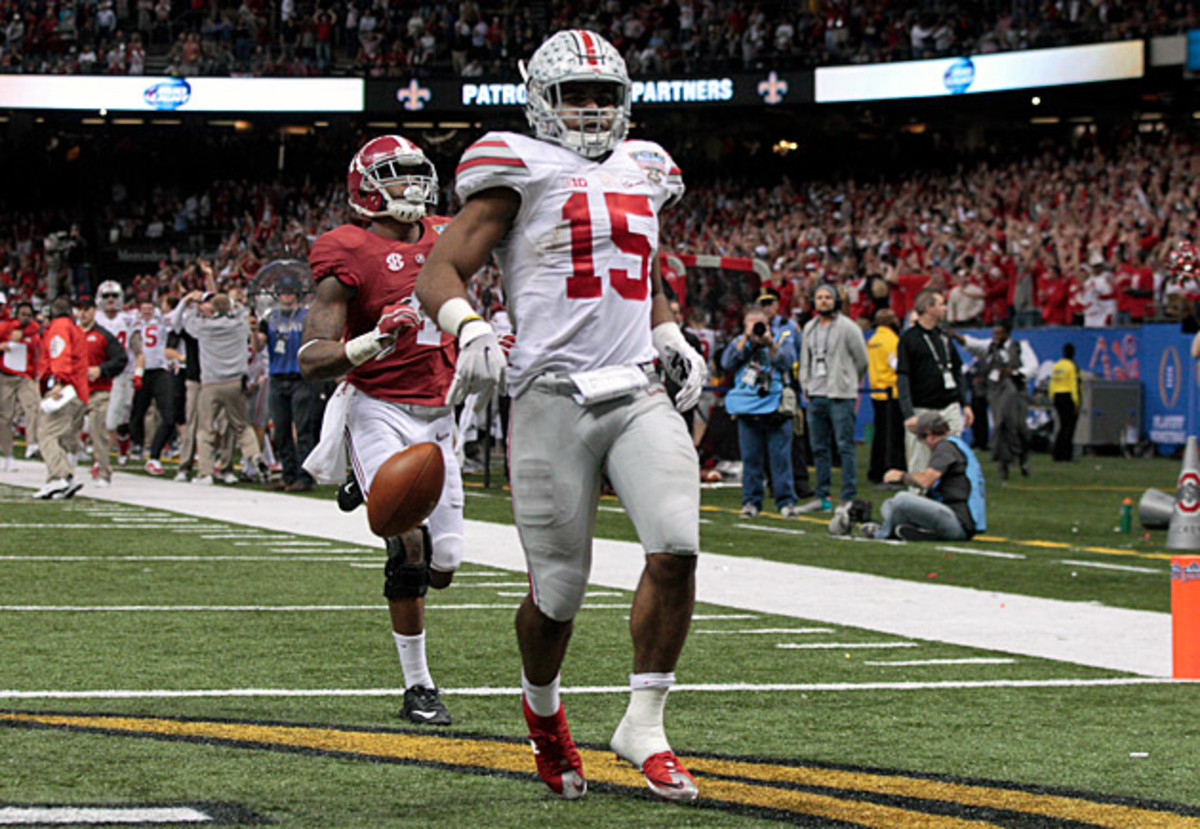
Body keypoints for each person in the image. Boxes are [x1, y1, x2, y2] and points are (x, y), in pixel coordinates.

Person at [415, 29, 707, 803]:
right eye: (574, 94)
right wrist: (468, 325)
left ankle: (645, 722)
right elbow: (439, 267)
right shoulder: (515, 166)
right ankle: (543, 713)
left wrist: (669, 330)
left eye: (601, 96)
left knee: (676, 547)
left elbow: (636, 270)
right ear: (541, 99)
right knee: (560, 590)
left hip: (636, 386)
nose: (588, 109)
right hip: (548, 392)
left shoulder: (645, 167)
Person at [300, 133, 463, 727]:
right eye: (398, 175)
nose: (413, 185)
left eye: (419, 173)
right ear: (366, 187)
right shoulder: (347, 249)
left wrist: (486, 334)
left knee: (445, 565)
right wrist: (373, 339)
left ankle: (366, 488)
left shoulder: (450, 234)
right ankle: (418, 687)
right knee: (409, 547)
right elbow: (312, 357)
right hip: (379, 406)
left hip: (440, 414)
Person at [832, 411, 986, 542]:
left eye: (922, 437)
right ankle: (917, 531)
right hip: (956, 519)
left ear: (930, 435)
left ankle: (880, 533)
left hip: (957, 522)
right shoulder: (955, 445)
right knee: (890, 504)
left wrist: (901, 476)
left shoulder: (944, 447)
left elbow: (926, 481)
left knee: (901, 499)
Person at [721, 307, 799, 519]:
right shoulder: (739, 341)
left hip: (775, 407)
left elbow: (787, 362)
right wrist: (746, 340)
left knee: (780, 459)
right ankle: (751, 502)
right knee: (751, 459)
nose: (756, 327)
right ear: (744, 325)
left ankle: (786, 502)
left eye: (760, 323)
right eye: (751, 323)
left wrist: (770, 343)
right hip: (747, 406)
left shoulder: (781, 339)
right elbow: (727, 363)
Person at [797, 283, 868, 512]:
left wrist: (848, 381)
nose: (824, 301)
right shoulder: (809, 327)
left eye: (828, 297)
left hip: (839, 394)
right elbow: (805, 358)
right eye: (819, 297)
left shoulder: (848, 327)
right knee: (819, 448)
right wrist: (805, 383)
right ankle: (822, 496)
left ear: (836, 301)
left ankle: (847, 497)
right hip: (816, 393)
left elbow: (862, 360)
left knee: (844, 446)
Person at [181, 290, 256, 485]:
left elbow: (186, 323)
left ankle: (205, 472)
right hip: (234, 382)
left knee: (205, 429)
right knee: (241, 425)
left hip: (211, 383)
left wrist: (189, 302)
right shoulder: (240, 325)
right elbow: (244, 315)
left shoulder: (204, 327)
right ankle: (254, 455)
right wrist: (238, 305)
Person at [896, 288, 973, 475]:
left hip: (950, 405)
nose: (946, 308)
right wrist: (908, 414)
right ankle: (919, 500)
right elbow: (903, 377)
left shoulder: (944, 336)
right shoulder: (909, 339)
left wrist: (965, 404)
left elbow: (956, 371)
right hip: (922, 408)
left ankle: (953, 498)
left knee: (955, 457)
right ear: (928, 308)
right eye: (941, 304)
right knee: (919, 461)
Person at [257, 264, 316, 492]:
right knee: (280, 430)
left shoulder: (306, 317)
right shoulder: (269, 317)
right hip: (277, 375)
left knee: (302, 429)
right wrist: (253, 330)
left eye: (290, 293)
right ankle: (288, 473)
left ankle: (304, 476)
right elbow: (258, 345)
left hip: (300, 376)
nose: (287, 297)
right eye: (283, 292)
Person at [32, 296, 90, 499]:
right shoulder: (74, 329)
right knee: (58, 438)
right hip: (78, 391)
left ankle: (58, 478)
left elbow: (61, 355)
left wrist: (58, 382)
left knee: (46, 434)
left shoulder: (60, 327)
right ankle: (67, 478)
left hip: (65, 390)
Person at [76, 295, 129, 488]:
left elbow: (121, 359)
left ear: (93, 311)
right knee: (65, 432)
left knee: (99, 433)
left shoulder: (103, 336)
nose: (83, 312)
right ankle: (65, 471)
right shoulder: (72, 334)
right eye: (79, 308)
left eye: (86, 309)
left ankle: (104, 472)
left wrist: (101, 370)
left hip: (98, 391)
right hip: (73, 391)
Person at [94, 279, 142, 467]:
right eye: (107, 296)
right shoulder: (95, 318)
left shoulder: (129, 320)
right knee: (95, 419)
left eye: (114, 296)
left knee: (114, 419)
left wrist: (138, 373)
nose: (111, 300)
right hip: (98, 373)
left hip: (121, 374)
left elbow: (138, 350)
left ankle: (102, 460)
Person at [129, 298, 174, 475]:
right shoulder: (134, 324)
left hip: (160, 371)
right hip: (143, 371)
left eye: (150, 308)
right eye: (144, 308)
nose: (147, 312)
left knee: (168, 414)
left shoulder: (161, 322)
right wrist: (137, 371)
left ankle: (158, 450)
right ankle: (138, 444)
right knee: (138, 411)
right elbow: (135, 345)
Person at [866, 308, 905, 486]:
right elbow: (897, 364)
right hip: (893, 392)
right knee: (894, 436)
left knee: (880, 434)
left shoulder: (873, 340)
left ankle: (876, 470)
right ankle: (892, 470)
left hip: (877, 391)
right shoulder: (893, 340)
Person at [0, 300, 41, 471]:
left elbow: (36, 347)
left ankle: (32, 442)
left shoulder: (34, 332)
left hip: (25, 377)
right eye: (22, 314)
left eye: (28, 315)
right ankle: (8, 455)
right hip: (6, 376)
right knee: (5, 418)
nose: (25, 318)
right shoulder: (5, 327)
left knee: (34, 406)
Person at [1050, 342, 1080, 462]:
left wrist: (1052, 396)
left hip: (1057, 395)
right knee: (1069, 426)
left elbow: (1052, 382)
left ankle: (1057, 452)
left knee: (1062, 425)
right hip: (1068, 395)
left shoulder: (1057, 365)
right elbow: (1074, 383)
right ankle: (1066, 454)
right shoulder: (1071, 366)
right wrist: (1076, 401)